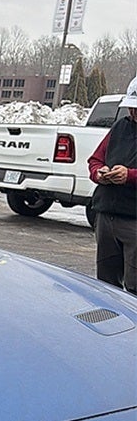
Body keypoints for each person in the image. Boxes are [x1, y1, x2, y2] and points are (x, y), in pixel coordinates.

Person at [87, 75, 137, 293]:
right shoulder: (120, 127)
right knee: (106, 285)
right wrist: (99, 173)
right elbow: (95, 159)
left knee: (134, 285)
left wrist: (130, 176)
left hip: (134, 220)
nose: (133, 113)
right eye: (131, 108)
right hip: (107, 214)